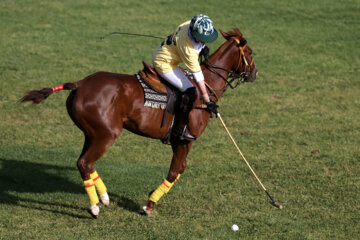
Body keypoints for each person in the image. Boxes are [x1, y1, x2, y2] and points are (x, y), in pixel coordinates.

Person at [152, 14, 219, 141]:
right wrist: (207, 99)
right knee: (191, 91)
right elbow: (198, 76)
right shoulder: (188, 50)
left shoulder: (189, 24)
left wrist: (203, 47)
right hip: (164, 64)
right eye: (202, 39)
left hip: (166, 52)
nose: (204, 41)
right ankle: (178, 130)